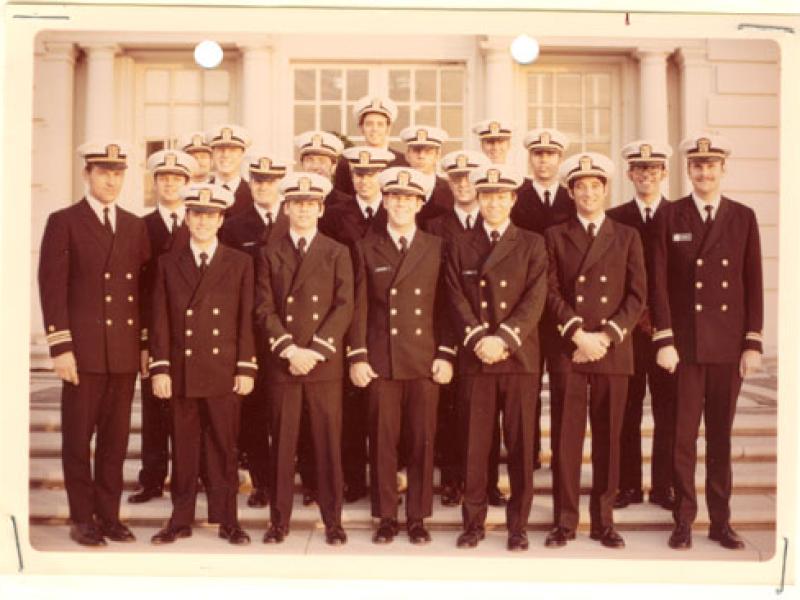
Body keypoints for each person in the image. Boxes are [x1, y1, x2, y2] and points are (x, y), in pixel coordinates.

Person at [649, 133, 763, 551]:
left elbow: (753, 282)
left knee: (720, 438)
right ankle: (683, 520)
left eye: (711, 165)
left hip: (727, 349)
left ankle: (721, 522)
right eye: (697, 165)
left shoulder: (743, 217)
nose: (704, 172)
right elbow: (658, 283)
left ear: (723, 169)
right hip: (685, 349)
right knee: (682, 438)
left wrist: (753, 342)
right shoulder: (671, 216)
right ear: (688, 171)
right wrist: (664, 338)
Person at [38, 141, 150, 546]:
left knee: (115, 443)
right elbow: (52, 288)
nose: (111, 180)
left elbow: (143, 290)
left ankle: (109, 516)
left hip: (120, 353)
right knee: (77, 440)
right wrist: (60, 346)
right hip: (82, 352)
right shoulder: (64, 221)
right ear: (87, 174)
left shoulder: (135, 226)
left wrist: (142, 346)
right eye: (104, 172)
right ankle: (82, 518)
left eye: (118, 173)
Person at [348, 166, 455, 545]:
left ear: (419, 204)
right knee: (382, 441)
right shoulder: (365, 246)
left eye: (408, 199)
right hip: (382, 360)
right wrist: (358, 356)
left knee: (421, 441)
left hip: (424, 360)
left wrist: (446, 353)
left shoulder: (437, 247)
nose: (400, 204)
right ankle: (386, 515)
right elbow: (358, 307)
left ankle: (418, 516)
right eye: (393, 197)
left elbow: (446, 306)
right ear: (385, 201)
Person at [543, 153, 646, 550]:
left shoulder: (626, 236)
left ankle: (604, 521)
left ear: (606, 189)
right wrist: (578, 335)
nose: (588, 192)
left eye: (595, 186)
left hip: (612, 349)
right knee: (566, 439)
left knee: (609, 438)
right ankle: (564, 522)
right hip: (570, 348)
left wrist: (607, 335)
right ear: (570, 192)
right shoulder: (554, 235)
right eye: (580, 186)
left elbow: (638, 295)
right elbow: (550, 290)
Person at [445, 164, 547, 551]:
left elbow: (534, 299)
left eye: (501, 196)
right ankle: (473, 523)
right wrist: (478, 339)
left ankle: (517, 526)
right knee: (475, 446)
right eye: (487, 195)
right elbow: (454, 296)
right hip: (477, 358)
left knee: (520, 448)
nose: (494, 202)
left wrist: (503, 338)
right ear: (479, 198)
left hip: (518, 357)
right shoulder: (460, 243)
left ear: (513, 200)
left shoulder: (532, 243)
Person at [148, 183, 256, 546]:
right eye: (197, 214)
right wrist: (160, 367)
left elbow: (245, 319)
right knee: (183, 447)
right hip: (181, 370)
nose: (203, 221)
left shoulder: (240, 262)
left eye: (211, 215)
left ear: (221, 219)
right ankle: (180, 520)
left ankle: (228, 521)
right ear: (188, 219)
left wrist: (245, 366)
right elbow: (160, 318)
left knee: (225, 448)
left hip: (223, 369)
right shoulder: (168, 263)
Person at [255, 172, 354, 546]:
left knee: (328, 445)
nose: (304, 210)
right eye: (297, 203)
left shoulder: (336, 251)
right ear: (287, 207)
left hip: (322, 364)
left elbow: (345, 306)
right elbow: (264, 308)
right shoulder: (270, 252)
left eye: (311, 204)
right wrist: (289, 349)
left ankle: (334, 520)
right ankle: (279, 521)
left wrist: (316, 350)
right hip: (285, 362)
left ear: (321, 208)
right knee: (282, 445)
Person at [320, 145, 396, 503]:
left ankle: (391, 476)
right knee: (351, 408)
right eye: (359, 174)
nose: (365, 180)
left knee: (388, 411)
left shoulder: (398, 207)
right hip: (346, 311)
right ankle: (353, 480)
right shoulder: (335, 214)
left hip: (389, 319)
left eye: (371, 174)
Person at [425, 150, 499, 508]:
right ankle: (453, 479)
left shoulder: (493, 225)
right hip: (446, 326)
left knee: (488, 412)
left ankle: (489, 482)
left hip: (486, 332)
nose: (463, 184)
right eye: (456, 179)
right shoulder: (436, 226)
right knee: (450, 409)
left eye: (469, 178)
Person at [607, 140, 677, 511]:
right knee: (627, 409)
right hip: (628, 331)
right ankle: (628, 485)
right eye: (639, 170)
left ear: (664, 173)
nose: (646, 175)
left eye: (653, 170)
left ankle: (663, 485)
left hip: (667, 332)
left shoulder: (679, 216)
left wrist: (667, 328)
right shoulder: (615, 217)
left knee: (668, 409)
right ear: (630, 174)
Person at [219, 150, 289, 508]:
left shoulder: (296, 220)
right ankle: (263, 482)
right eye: (258, 180)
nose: (264, 187)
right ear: (250, 183)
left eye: (271, 180)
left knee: (290, 410)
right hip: (251, 333)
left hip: (290, 333)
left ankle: (294, 480)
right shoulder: (233, 226)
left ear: (281, 183)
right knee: (255, 413)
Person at [128, 149, 197, 505]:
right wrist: (143, 343)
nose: (170, 184)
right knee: (155, 411)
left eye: (177, 178)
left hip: (197, 336)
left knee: (190, 408)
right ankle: (152, 478)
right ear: (154, 183)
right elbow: (137, 288)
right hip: (156, 332)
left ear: (188, 183)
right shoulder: (141, 226)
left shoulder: (202, 220)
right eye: (164, 178)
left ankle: (192, 474)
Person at [511, 128, 576, 476]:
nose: (544, 160)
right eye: (538, 154)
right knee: (527, 389)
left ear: (560, 159)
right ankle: (529, 454)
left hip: (563, 307)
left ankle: (562, 458)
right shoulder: (515, 197)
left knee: (566, 387)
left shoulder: (573, 197)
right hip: (525, 310)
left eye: (550, 155)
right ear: (530, 158)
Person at [333, 95, 407, 196]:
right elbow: (341, 200)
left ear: (388, 128)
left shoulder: (403, 163)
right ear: (361, 128)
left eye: (380, 124)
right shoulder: (346, 163)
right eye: (369, 124)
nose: (374, 129)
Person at [398, 125, 454, 229]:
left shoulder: (450, 190)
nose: (421, 156)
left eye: (428, 151)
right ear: (407, 155)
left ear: (437, 155)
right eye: (416, 150)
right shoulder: (396, 190)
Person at [295, 130, 350, 209]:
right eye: (310, 160)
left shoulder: (347, 206)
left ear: (334, 166)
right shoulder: (292, 204)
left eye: (322, 161)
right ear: (302, 164)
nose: (315, 166)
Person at [207, 123, 253, 218]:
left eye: (232, 150)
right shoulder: (201, 192)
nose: (225, 155)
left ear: (242, 154)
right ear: (212, 154)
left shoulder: (254, 195)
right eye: (220, 149)